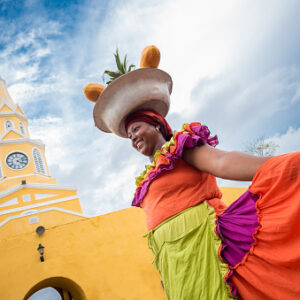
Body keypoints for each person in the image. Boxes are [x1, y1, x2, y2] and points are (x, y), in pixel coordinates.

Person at [86, 60, 300, 300]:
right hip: (176, 265)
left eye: (135, 129)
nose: (132, 138)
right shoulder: (148, 177)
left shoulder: (180, 148)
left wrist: (281, 166)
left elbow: (222, 162)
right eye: (128, 136)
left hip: (206, 245)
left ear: (156, 124)